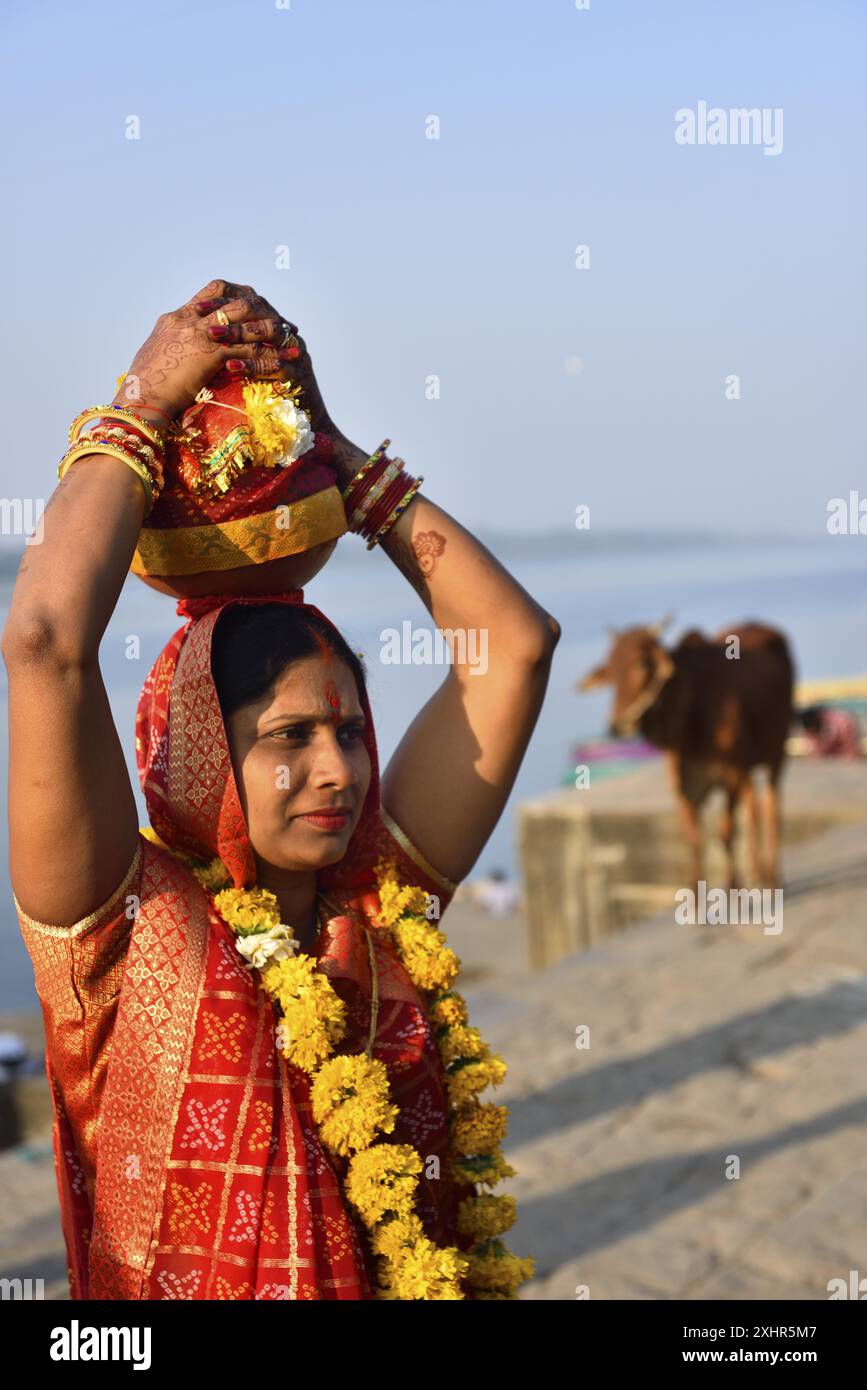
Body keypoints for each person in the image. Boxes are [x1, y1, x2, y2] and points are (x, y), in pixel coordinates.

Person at [2, 278, 560, 1300]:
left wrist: (334, 451)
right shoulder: (121, 936)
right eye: (291, 738)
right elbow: (42, 642)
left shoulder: (381, 908)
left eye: (351, 729)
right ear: (209, 751)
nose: (342, 770)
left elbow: (514, 649)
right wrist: (143, 406)